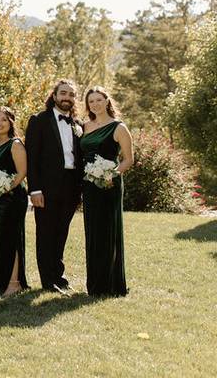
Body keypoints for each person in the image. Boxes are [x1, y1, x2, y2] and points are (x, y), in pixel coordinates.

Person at [26, 79, 83, 293]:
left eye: (71, 94)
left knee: (62, 232)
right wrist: (35, 190)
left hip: (71, 187)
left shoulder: (78, 124)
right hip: (46, 188)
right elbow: (32, 157)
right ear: (55, 95)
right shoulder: (39, 120)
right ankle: (47, 280)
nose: (66, 97)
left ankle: (58, 275)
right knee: (46, 233)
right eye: (63, 93)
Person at [81, 86, 133, 297]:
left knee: (108, 231)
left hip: (109, 185)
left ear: (107, 101)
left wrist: (111, 174)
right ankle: (95, 284)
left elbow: (128, 159)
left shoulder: (118, 127)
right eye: (91, 101)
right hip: (89, 186)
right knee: (93, 232)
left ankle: (111, 284)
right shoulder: (84, 126)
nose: (95, 104)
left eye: (98, 100)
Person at [0, 106, 29, 296]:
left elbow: (21, 173)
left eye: (4, 119)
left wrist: (4, 188)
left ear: (11, 122)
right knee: (0, 238)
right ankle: (1, 281)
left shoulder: (15, 144)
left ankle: (14, 282)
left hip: (13, 197)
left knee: (12, 238)